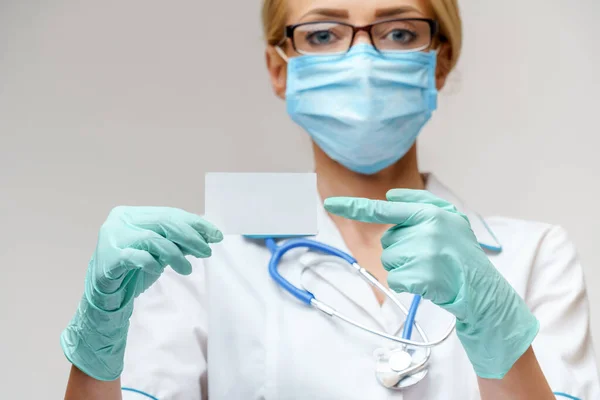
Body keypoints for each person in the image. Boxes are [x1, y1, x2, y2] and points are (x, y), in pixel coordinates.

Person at [61, 0, 600, 399]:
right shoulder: (198, 263)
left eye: (397, 32)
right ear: (280, 68)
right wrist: (95, 353)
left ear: (438, 61)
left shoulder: (535, 257)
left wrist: (502, 337)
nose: (362, 58)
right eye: (322, 34)